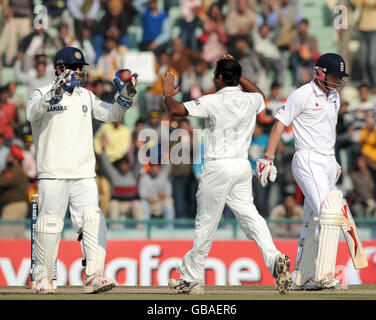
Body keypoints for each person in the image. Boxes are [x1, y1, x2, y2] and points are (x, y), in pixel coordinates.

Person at [162, 55, 292, 295]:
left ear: (219, 78)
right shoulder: (250, 99)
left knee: (205, 225)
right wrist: (236, 72)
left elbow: (175, 110)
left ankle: (190, 278)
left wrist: (167, 92)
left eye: (216, 75)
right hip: (242, 167)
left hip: (218, 167)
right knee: (250, 216)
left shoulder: (213, 101)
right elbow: (261, 96)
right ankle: (275, 259)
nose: (214, 78)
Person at [26, 46, 138, 294]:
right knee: (49, 225)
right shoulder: (41, 92)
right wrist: (51, 96)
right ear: (59, 69)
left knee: (93, 220)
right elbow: (31, 113)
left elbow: (112, 114)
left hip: (84, 174)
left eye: (81, 68)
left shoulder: (85, 96)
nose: (78, 72)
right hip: (52, 173)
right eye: (74, 68)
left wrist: (126, 97)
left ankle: (94, 276)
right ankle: (43, 279)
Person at [256, 53, 350, 290]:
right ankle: (325, 274)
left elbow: (330, 129)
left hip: (327, 161)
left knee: (311, 220)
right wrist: (268, 158)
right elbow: (279, 124)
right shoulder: (302, 95)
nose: (338, 80)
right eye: (335, 76)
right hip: (307, 158)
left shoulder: (335, 97)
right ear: (320, 73)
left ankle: (301, 277)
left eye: (340, 76)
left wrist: (333, 159)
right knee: (329, 215)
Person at [0, 145, 28, 238]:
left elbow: (3, 182)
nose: (7, 156)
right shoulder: (12, 169)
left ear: (14, 157)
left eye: (9, 154)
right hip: (16, 206)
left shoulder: (16, 170)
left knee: (4, 234)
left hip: (14, 206)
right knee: (18, 236)